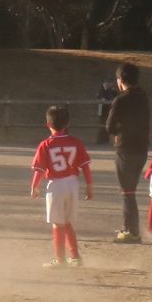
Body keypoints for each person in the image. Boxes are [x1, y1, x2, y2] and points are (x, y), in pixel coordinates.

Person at [30, 105, 95, 268]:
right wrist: (89, 185)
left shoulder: (46, 144)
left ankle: (59, 260)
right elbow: (85, 165)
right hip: (72, 183)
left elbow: (40, 170)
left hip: (56, 185)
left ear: (48, 124)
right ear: (67, 124)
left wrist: (35, 186)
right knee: (67, 222)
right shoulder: (76, 142)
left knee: (57, 224)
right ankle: (75, 257)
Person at [100, 61, 152, 243]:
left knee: (127, 192)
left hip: (125, 149)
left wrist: (117, 131)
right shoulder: (143, 97)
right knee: (131, 190)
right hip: (142, 149)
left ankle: (131, 231)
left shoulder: (120, 100)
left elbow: (109, 126)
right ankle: (132, 227)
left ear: (121, 80)